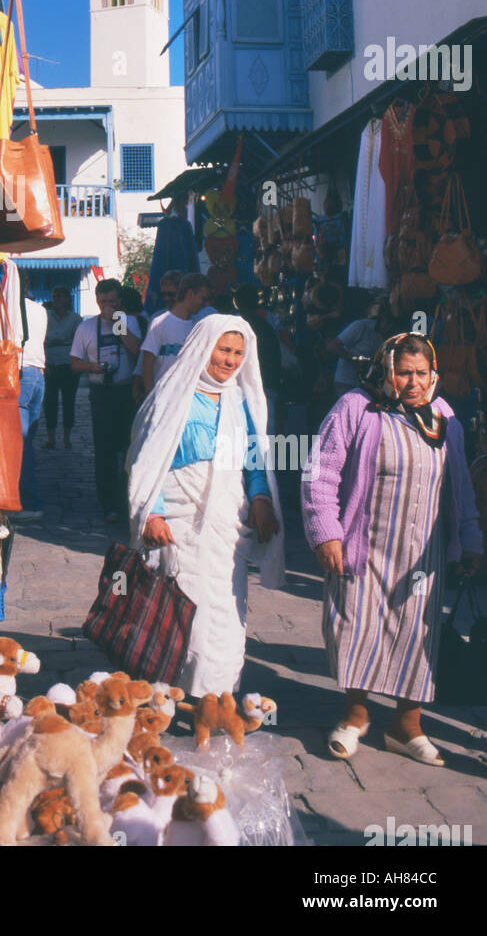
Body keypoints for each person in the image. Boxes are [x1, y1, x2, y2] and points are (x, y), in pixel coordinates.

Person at [302, 333, 484, 766]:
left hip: (424, 554)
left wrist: (471, 538)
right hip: (367, 546)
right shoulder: (356, 408)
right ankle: (355, 715)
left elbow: (461, 485)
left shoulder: (444, 418)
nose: (414, 382)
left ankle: (406, 726)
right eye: (404, 373)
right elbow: (320, 472)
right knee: (357, 626)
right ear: (387, 371)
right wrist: (326, 530)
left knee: (417, 635)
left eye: (422, 373)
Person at [126, 315, 285, 696]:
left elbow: (254, 456)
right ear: (203, 347)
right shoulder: (172, 395)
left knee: (226, 610)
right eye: (224, 350)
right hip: (179, 518)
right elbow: (148, 460)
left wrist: (261, 497)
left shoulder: (239, 399)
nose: (230, 361)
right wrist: (153, 511)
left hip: (226, 519)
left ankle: (217, 694)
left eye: (238, 354)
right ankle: (176, 690)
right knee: (184, 607)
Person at [69, 279, 142, 524]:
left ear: (120, 302)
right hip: (101, 393)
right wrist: (93, 367)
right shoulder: (86, 327)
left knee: (128, 449)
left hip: (126, 393)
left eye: (112, 302)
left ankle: (127, 499)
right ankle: (108, 502)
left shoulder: (130, 322)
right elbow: (75, 363)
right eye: (103, 302)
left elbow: (136, 351)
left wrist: (118, 325)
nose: (107, 307)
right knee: (105, 450)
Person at [133, 272, 213, 401]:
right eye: (163, 295)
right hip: (161, 395)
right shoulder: (157, 321)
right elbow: (146, 359)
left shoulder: (201, 321)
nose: (166, 298)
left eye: (171, 294)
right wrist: (148, 393)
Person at [13, 295, 49, 522]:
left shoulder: (12, 305)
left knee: (21, 444)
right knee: (26, 443)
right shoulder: (40, 309)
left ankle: (29, 500)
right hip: (38, 372)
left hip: (23, 370)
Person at [326, 296, 392, 401]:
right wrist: (355, 359)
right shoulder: (361, 326)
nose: (390, 328)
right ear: (383, 319)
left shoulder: (392, 336)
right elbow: (332, 346)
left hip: (371, 387)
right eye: (389, 323)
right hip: (347, 382)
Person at [42, 287, 81, 450]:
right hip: (50, 364)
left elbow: (77, 342)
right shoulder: (45, 317)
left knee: (68, 402)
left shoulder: (75, 319)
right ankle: (50, 438)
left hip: (68, 365)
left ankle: (67, 438)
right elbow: (42, 339)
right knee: (49, 403)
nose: (56, 299)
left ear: (66, 299)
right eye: (54, 296)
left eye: (59, 296)